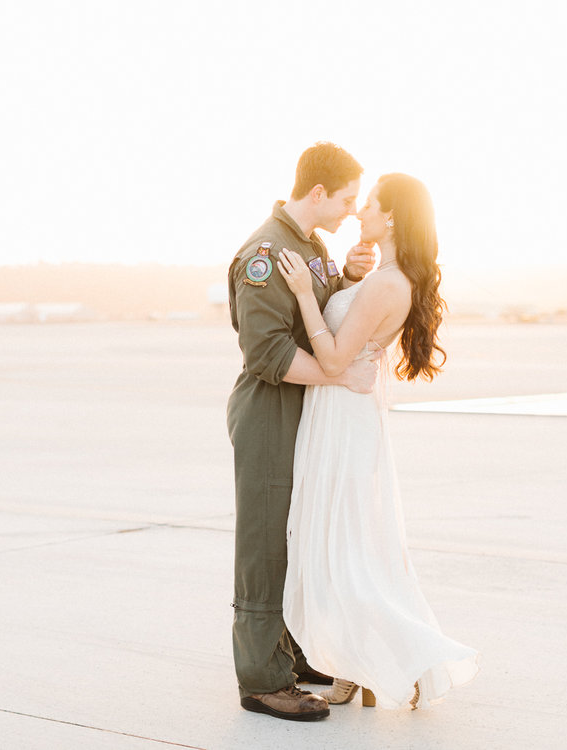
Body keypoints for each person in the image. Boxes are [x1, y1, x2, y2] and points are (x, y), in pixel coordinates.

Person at [276, 173, 480, 710]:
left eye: (368, 205)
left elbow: (337, 359)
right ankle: (352, 664)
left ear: (390, 217)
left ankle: (406, 657)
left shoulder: (391, 285)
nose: (360, 212)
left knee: (344, 549)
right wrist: (344, 278)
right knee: (338, 544)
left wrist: (302, 294)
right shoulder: (381, 276)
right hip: (337, 411)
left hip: (342, 416)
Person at [226, 142, 378, 722]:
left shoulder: (311, 246)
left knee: (296, 532)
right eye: (345, 199)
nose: (349, 211)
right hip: (270, 408)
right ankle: (263, 678)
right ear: (318, 193)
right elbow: (266, 350)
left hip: (303, 407)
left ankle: (288, 653)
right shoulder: (266, 251)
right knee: (265, 540)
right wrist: (342, 380)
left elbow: (314, 318)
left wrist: (346, 279)